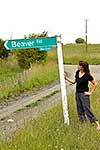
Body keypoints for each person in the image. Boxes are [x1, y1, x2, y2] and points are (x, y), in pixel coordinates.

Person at [64, 60, 100, 130]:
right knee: (79, 110)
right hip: (77, 93)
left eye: (79, 65)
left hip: (84, 94)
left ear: (83, 67)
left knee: (87, 109)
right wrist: (66, 78)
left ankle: (97, 124)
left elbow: (95, 84)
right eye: (78, 65)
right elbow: (74, 82)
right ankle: (83, 125)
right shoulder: (77, 72)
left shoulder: (87, 75)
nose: (78, 66)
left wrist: (90, 92)